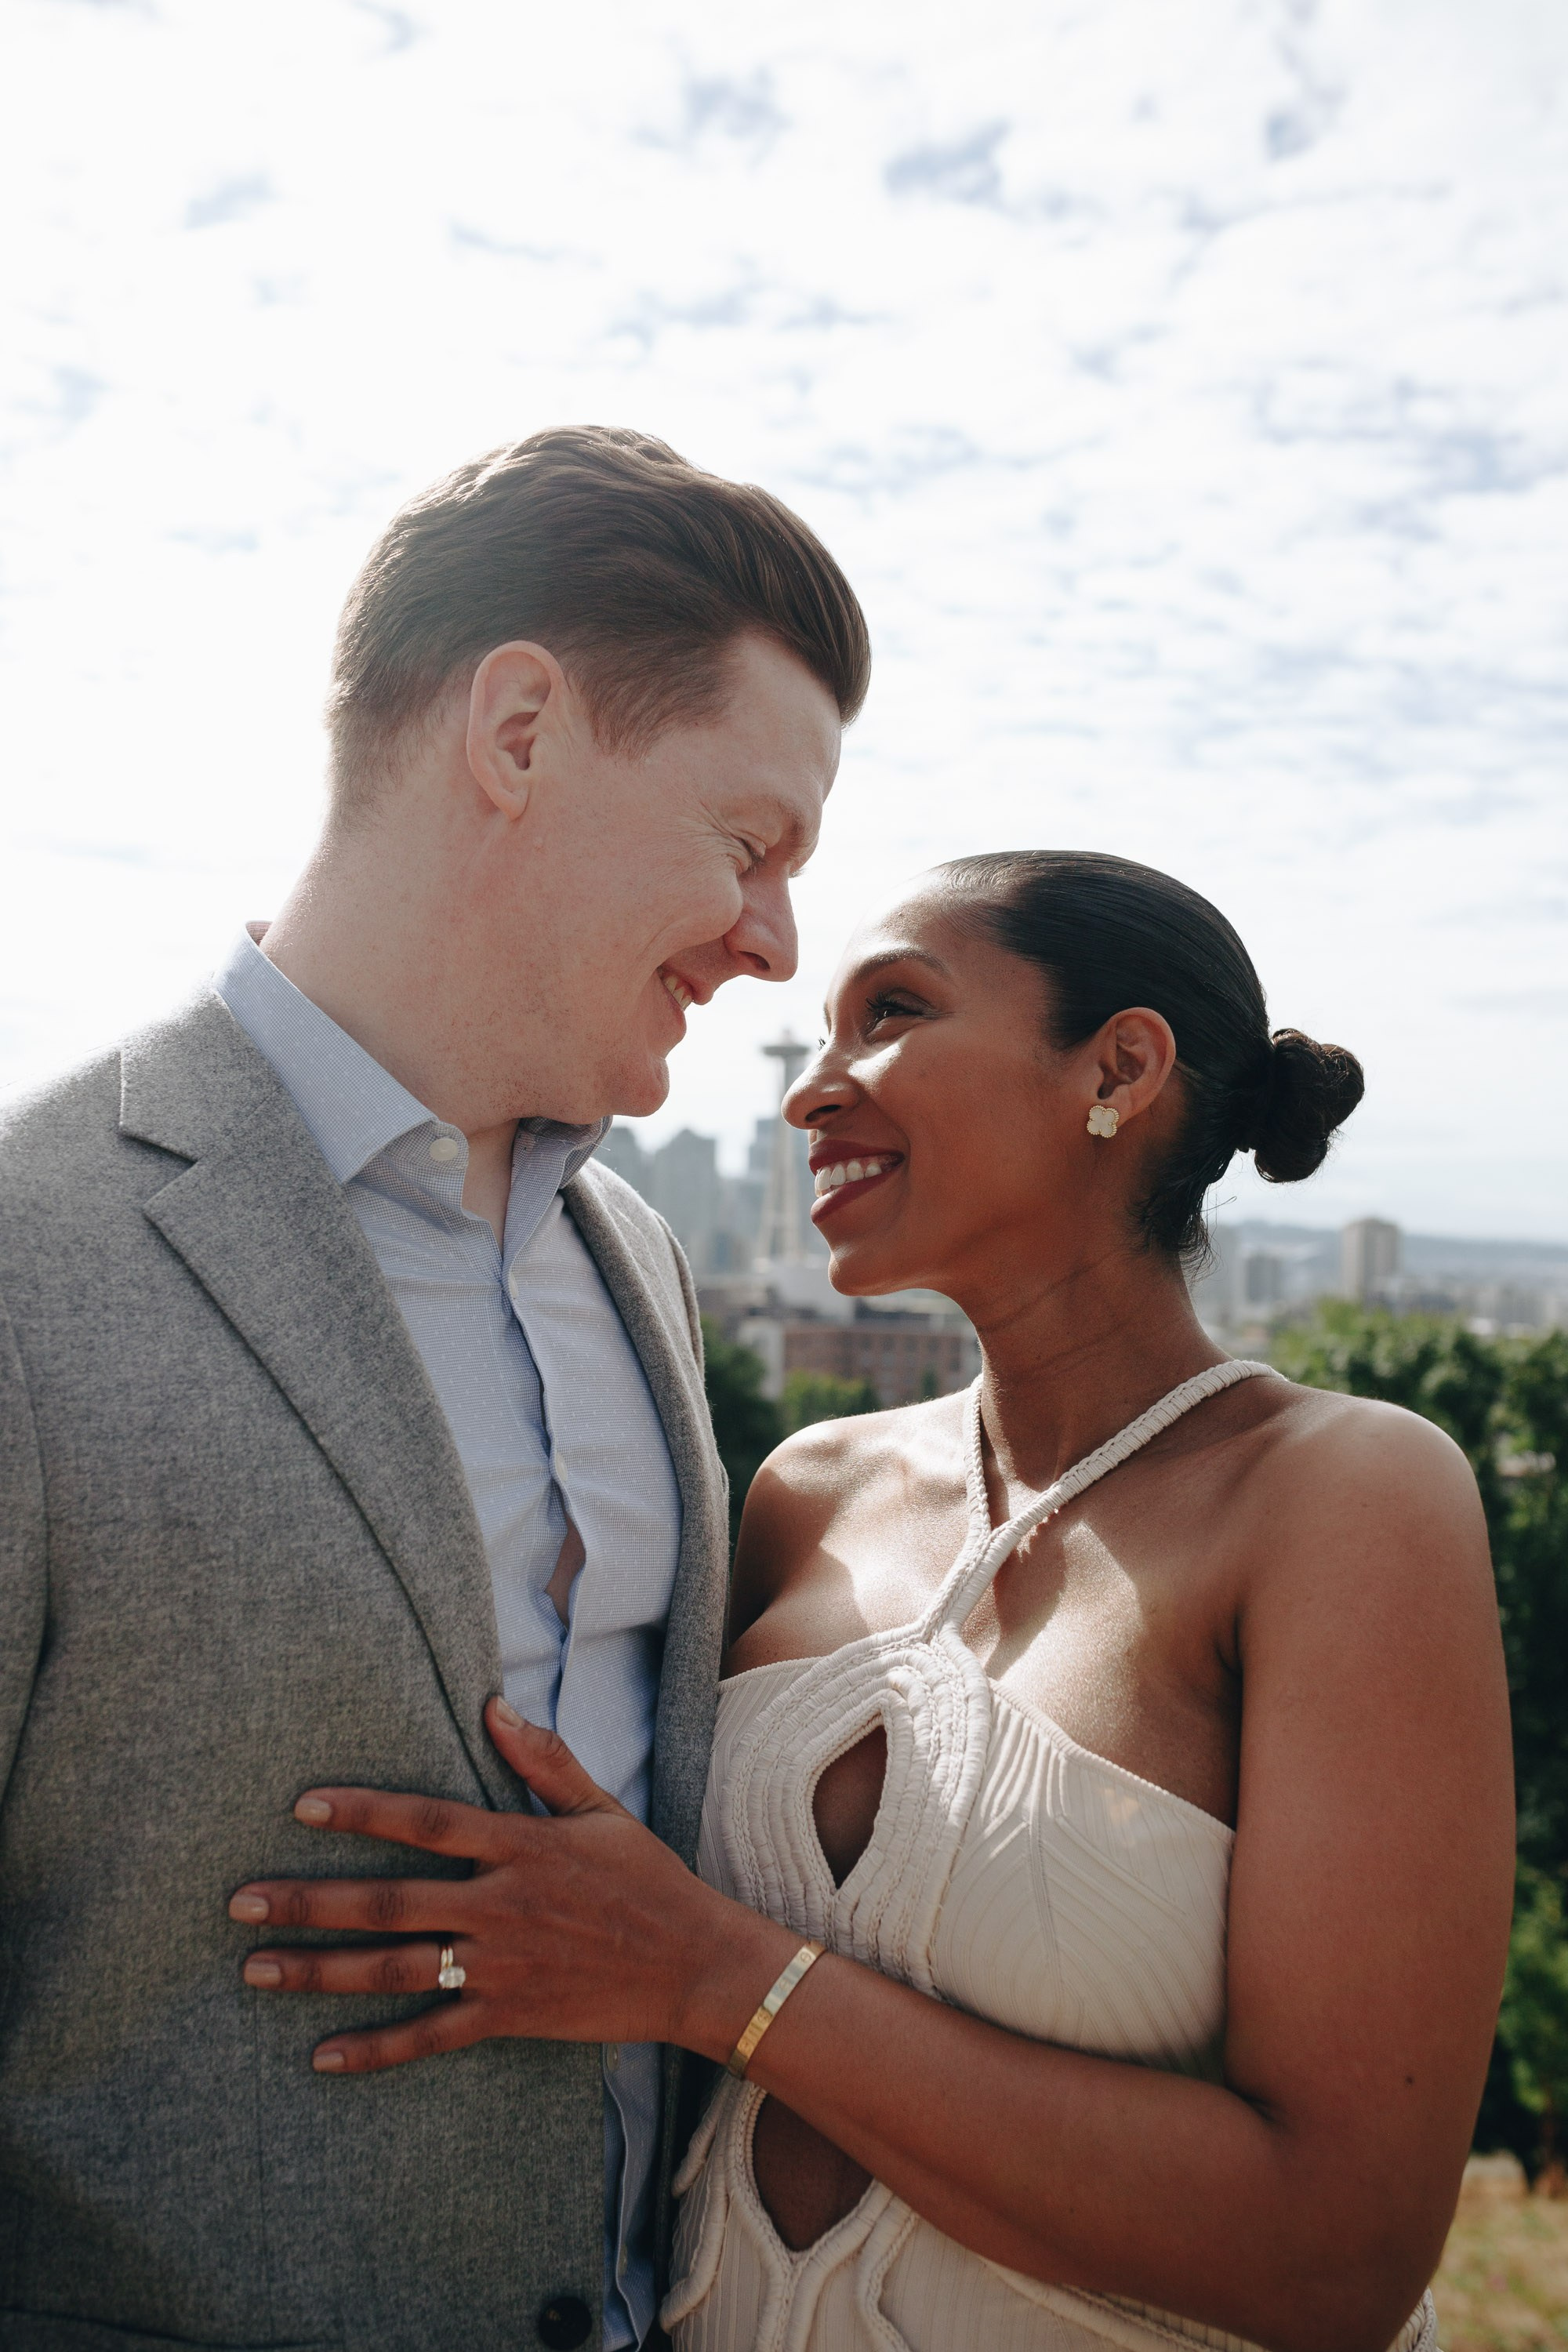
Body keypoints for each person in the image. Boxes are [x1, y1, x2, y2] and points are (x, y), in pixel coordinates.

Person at [236, 852, 1515, 2352]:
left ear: (1120, 1067)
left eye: (892, 1013)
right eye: (823, 1035)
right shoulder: (805, 1492)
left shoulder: (1342, 1498)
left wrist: (714, 1974)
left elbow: (1337, 2257)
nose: (811, 1090)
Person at [0, 426, 866, 2352]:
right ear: (521, 731)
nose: (780, 942)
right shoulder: (25, 1254)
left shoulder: (635, 1259)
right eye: (751, 843)